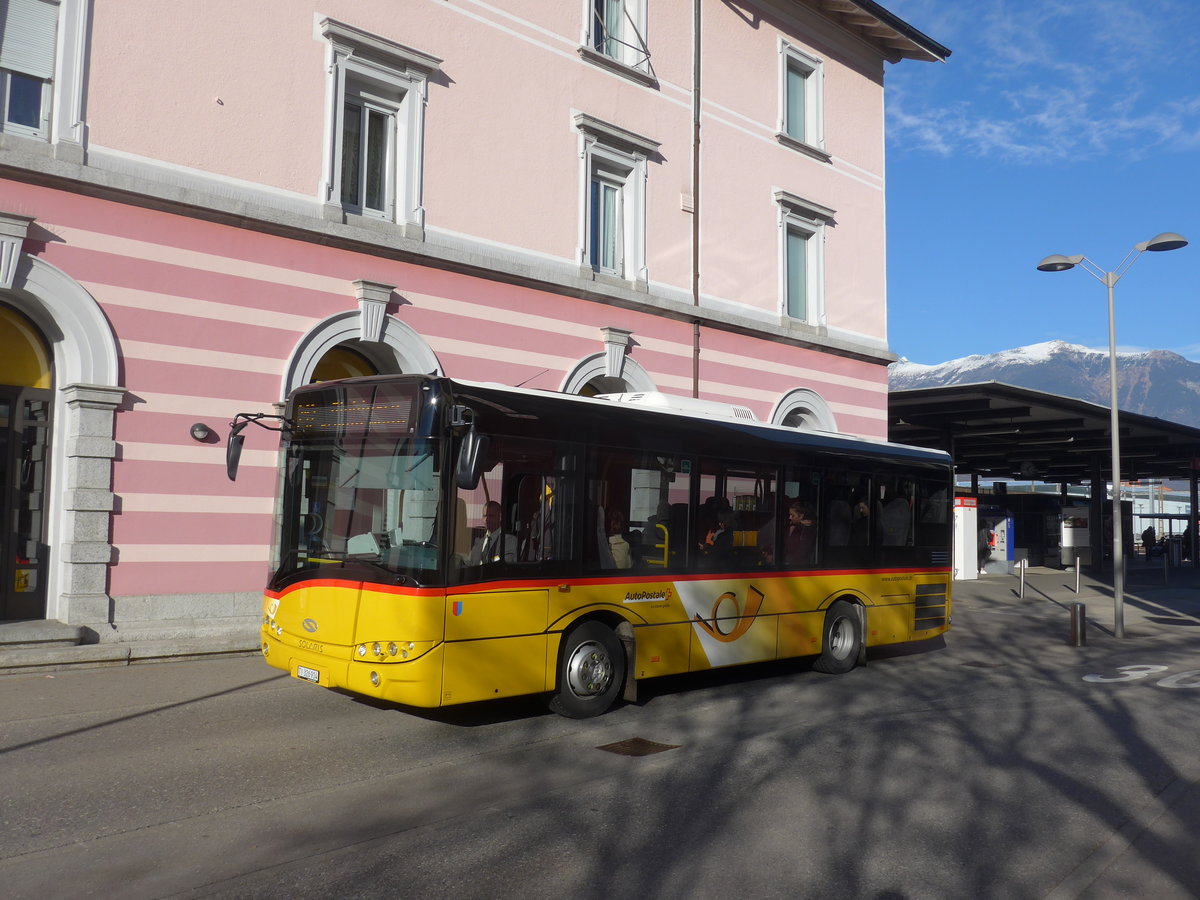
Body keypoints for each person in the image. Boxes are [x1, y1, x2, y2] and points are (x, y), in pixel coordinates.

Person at [468, 500, 516, 565]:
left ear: (500, 517)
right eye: (484, 516)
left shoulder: (509, 540)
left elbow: (504, 563)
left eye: (490, 516)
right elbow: (469, 562)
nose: (486, 520)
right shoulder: (479, 540)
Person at [782, 500, 816, 566]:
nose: (789, 517)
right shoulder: (791, 525)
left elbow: (802, 552)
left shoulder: (807, 530)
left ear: (801, 516)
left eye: (792, 515)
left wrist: (788, 562)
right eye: (789, 515)